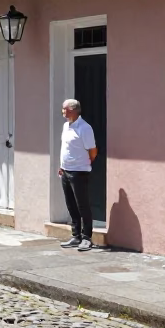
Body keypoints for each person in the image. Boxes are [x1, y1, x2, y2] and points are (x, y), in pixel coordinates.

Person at [57, 99, 99, 252]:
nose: (62, 111)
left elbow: (93, 151)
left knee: (83, 205)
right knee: (71, 205)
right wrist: (62, 166)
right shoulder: (65, 126)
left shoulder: (85, 128)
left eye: (64, 109)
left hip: (79, 171)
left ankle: (87, 237)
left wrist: (82, 164)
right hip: (66, 171)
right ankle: (76, 235)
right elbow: (66, 148)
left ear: (73, 110)